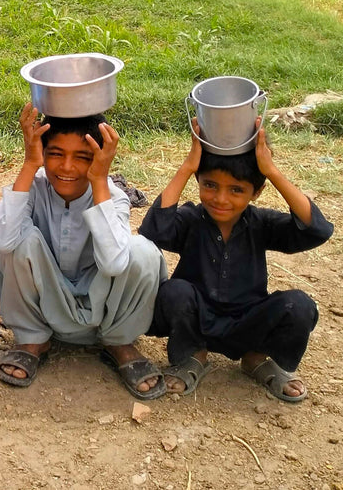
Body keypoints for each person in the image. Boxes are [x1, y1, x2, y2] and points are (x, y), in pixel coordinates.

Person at [140, 122, 334, 400]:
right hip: (196, 318)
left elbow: (316, 229)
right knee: (174, 290)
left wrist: (272, 171)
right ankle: (193, 355)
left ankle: (256, 359)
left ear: (256, 191)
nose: (220, 199)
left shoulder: (261, 223)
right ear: (199, 180)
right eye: (209, 184)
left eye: (236, 190)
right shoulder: (192, 219)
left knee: (299, 306)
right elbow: (153, 230)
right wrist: (187, 167)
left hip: (248, 322)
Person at [0, 103, 167, 399]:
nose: (67, 167)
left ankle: (118, 341)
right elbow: (2, 241)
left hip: (101, 310)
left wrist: (98, 180)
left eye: (82, 158)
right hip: (44, 308)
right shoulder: (31, 188)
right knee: (18, 237)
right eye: (56, 154)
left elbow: (113, 264)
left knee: (143, 252)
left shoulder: (113, 196)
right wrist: (30, 165)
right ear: (43, 153)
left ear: (99, 159)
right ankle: (32, 339)